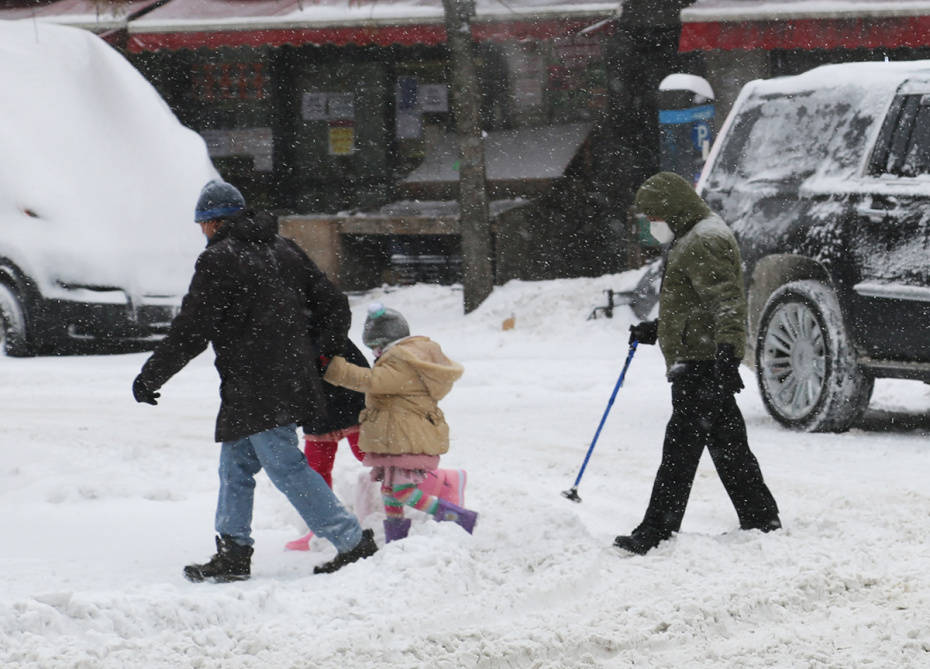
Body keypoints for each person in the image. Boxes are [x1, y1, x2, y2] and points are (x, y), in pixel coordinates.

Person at [132, 179, 377, 582]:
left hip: (258, 386)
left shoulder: (219, 259)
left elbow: (192, 328)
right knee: (235, 466)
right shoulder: (283, 248)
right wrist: (320, 351)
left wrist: (151, 376)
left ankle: (352, 541)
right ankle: (233, 551)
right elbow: (333, 302)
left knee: (286, 467)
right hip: (279, 381)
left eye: (202, 225)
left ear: (214, 223)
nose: (202, 232)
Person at [614, 171, 781, 556]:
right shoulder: (692, 236)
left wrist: (728, 354)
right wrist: (658, 328)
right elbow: (694, 304)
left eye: (654, 217)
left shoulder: (704, 239)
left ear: (672, 208)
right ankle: (761, 517)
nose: (652, 225)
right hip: (701, 357)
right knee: (729, 446)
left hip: (702, 363)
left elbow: (727, 302)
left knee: (680, 450)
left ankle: (656, 531)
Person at [284, 333, 468, 550]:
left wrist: (331, 364)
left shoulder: (396, 363)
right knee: (318, 468)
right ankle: (329, 526)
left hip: (345, 394)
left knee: (379, 463)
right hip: (317, 396)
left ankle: (448, 491)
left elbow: (370, 379)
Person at [323, 302, 476, 543]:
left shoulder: (401, 361)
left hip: (406, 437)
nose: (374, 354)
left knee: (403, 491)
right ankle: (396, 537)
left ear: (386, 342)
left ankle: (456, 516)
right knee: (389, 490)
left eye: (376, 348)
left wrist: (335, 369)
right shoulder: (404, 357)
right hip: (398, 436)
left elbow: (372, 381)